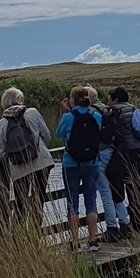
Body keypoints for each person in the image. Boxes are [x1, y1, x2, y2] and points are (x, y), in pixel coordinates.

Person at [0, 86, 55, 224]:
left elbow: (0, 152)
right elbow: (47, 135)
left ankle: (20, 238)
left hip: (19, 169)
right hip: (41, 164)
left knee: (20, 204)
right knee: (39, 199)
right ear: (19, 100)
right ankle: (36, 234)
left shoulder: (1, 124)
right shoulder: (32, 113)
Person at [55, 86, 102, 251]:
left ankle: (75, 242)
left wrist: (64, 112)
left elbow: (59, 134)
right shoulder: (96, 115)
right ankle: (92, 240)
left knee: (72, 203)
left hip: (71, 164)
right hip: (92, 163)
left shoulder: (68, 117)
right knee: (91, 202)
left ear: (72, 99)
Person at [84, 84, 128, 243]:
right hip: (113, 151)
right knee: (114, 188)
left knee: (105, 191)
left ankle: (111, 228)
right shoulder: (106, 108)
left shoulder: (92, 112)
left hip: (100, 153)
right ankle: (124, 223)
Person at [106, 86, 140, 234]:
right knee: (136, 185)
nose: (108, 102)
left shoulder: (115, 112)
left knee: (124, 186)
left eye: (110, 99)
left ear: (116, 99)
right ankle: (139, 222)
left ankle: (129, 223)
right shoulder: (134, 109)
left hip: (127, 152)